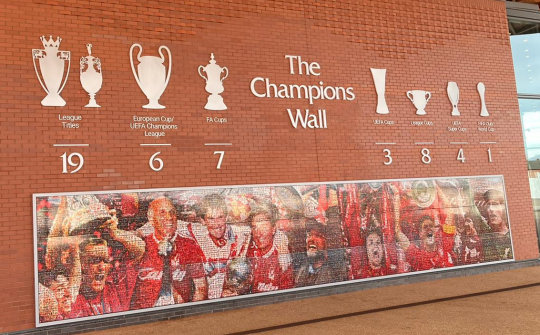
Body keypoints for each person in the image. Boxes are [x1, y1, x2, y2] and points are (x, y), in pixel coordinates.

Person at [131, 197, 207, 309]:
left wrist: (189, 312)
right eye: (162, 213)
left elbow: (200, 287)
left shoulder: (189, 245)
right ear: (151, 219)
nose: (169, 217)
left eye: (172, 213)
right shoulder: (140, 246)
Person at [182, 194, 251, 299]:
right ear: (203, 220)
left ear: (227, 217)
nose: (217, 224)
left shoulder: (240, 233)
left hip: (229, 297)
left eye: (220, 217)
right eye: (211, 218)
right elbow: (162, 225)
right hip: (204, 298)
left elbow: (266, 228)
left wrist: (238, 290)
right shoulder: (195, 231)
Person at [246, 201, 293, 293]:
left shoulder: (282, 256)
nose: (258, 234)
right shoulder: (248, 251)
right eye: (255, 228)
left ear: (273, 228)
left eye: (264, 228)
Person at [295, 222, 337, 287]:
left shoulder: (327, 273)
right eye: (309, 235)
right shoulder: (304, 268)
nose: (312, 239)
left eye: (317, 236)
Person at [481, 189, 512, 261]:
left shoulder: (512, 235)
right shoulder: (486, 236)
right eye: (488, 205)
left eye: (495, 204)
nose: (491, 209)